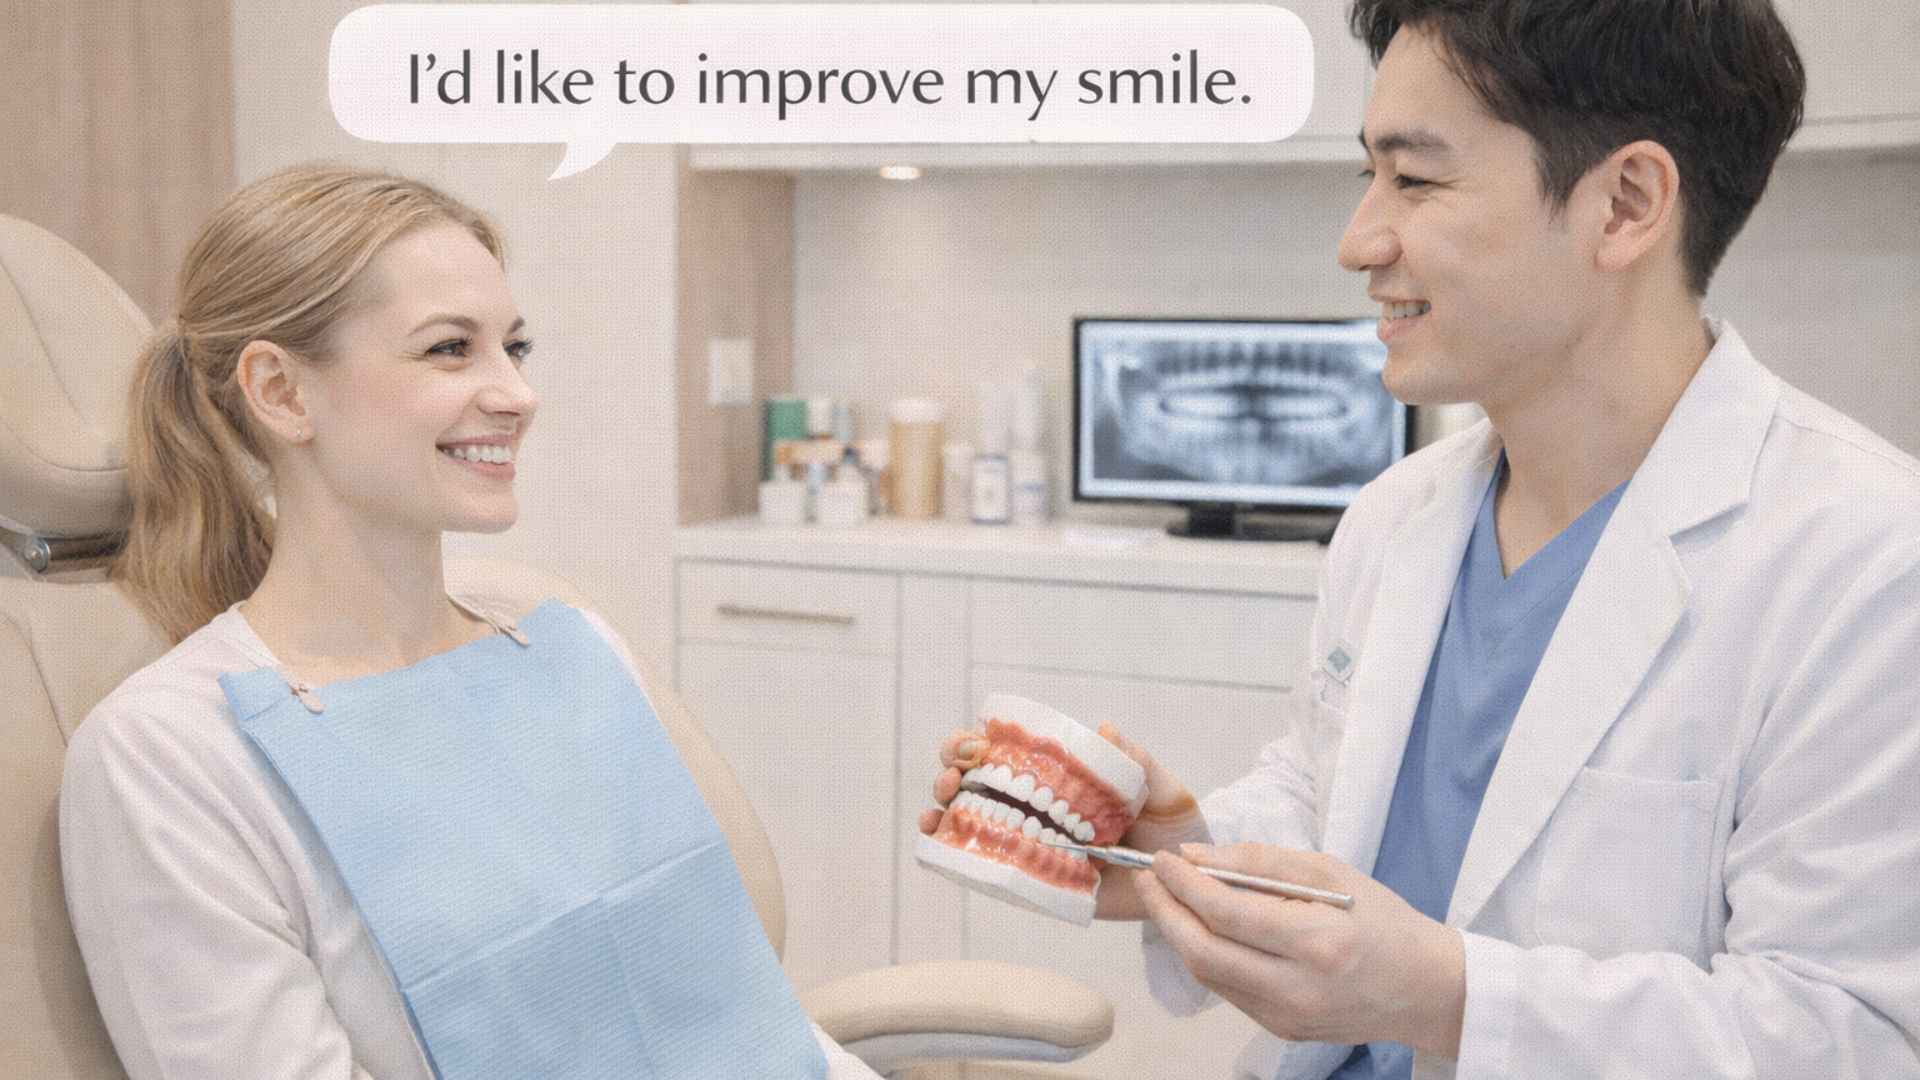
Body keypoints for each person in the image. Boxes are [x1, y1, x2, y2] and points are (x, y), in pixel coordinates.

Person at [921, 0, 1920, 1076]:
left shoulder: (1865, 562)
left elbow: (1852, 1035)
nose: (1359, 241)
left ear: (1625, 204)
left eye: (1417, 179)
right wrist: (1183, 850)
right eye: (1369, 176)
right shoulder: (1400, 514)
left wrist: (1447, 999)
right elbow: (1337, 801)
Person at [60, 164, 880, 1079]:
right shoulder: (171, 756)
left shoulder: (563, 642)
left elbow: (741, 1012)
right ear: (282, 393)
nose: (517, 395)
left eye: (513, 348)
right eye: (450, 349)